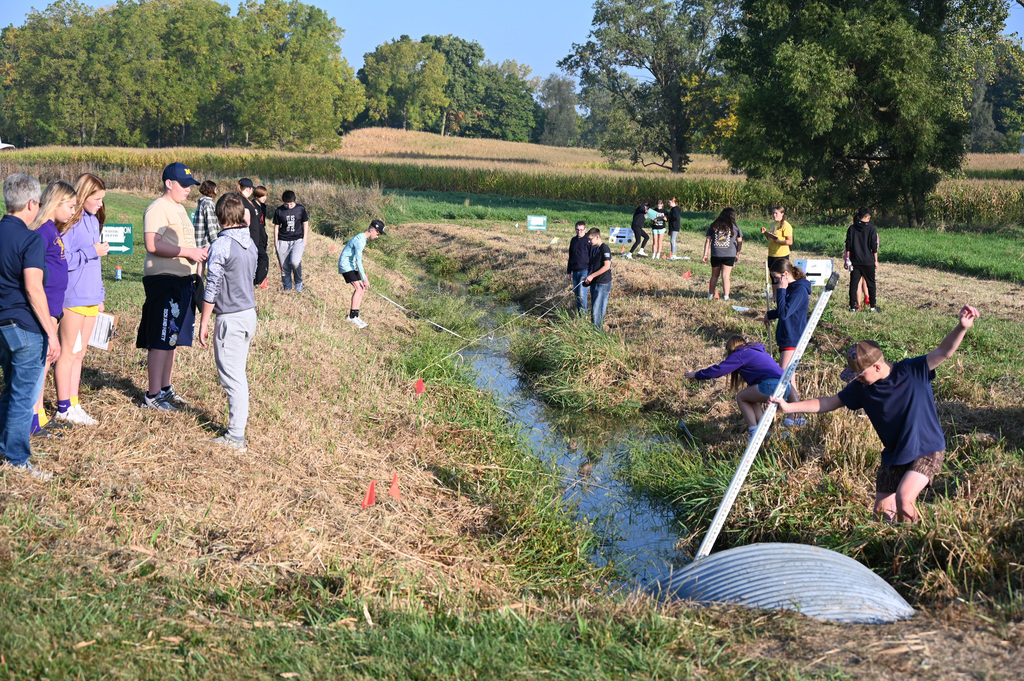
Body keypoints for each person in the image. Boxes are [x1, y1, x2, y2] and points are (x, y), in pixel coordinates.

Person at [771, 305, 981, 523]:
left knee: (904, 497)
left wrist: (961, 328)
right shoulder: (861, 388)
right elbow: (828, 402)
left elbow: (943, 352)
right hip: (895, 453)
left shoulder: (912, 370)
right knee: (881, 513)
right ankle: (887, 547)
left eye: (860, 374)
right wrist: (788, 407)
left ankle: (913, 545)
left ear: (878, 367)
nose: (857, 379)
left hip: (926, 447)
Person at [0, 174, 59, 480]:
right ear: (32, 203)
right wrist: (51, 332)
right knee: (23, 396)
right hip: (24, 325)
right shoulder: (30, 239)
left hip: (1, 325)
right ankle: (17, 459)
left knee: (11, 390)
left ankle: (4, 448)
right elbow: (35, 289)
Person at [136, 162, 207, 410]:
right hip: (164, 280)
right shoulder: (158, 208)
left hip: (182, 281)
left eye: (191, 185)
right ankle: (152, 394)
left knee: (172, 338)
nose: (188, 189)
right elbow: (152, 244)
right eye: (184, 185)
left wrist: (198, 253)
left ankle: (165, 389)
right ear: (169, 183)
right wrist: (189, 251)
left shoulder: (179, 209)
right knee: (161, 337)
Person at [198, 193, 258, 452]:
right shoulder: (251, 243)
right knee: (238, 374)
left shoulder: (221, 245)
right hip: (248, 314)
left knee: (233, 379)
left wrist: (203, 321)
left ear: (219, 217)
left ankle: (235, 436)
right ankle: (236, 430)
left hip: (230, 319)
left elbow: (212, 286)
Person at [54, 173, 108, 426]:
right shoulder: (69, 224)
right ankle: (62, 407)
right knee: (69, 352)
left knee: (81, 353)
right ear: (84, 195)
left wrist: (100, 295)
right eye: (96, 199)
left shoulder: (94, 222)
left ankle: (73, 403)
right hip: (72, 297)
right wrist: (91, 251)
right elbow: (62, 261)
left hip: (90, 296)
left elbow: (95, 265)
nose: (100, 204)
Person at [27, 181, 77, 436]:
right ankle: (33, 418)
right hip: (45, 308)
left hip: (55, 307)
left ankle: (39, 414)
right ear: (56, 203)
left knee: (45, 363)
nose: (72, 212)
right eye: (70, 206)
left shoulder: (53, 230)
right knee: (41, 364)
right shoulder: (42, 232)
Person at [685, 335, 790, 441]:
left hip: (771, 385)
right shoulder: (758, 351)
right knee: (750, 398)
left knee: (741, 397)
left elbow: (719, 370)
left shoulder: (740, 354)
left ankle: (754, 431)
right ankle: (765, 430)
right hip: (786, 387)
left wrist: (696, 374)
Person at [338, 219, 386, 328]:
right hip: (346, 265)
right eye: (377, 234)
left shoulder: (363, 239)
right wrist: (365, 278)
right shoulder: (360, 240)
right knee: (359, 288)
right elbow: (359, 261)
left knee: (362, 289)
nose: (377, 236)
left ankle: (356, 315)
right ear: (372, 229)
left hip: (351, 265)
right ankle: (352, 317)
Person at [272, 190, 309, 291]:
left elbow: (305, 223)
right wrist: (276, 243)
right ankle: (287, 288)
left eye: (291, 204)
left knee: (295, 262)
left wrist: (305, 238)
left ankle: (298, 282)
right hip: (283, 240)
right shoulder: (279, 210)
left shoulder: (300, 209)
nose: (288, 206)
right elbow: (276, 227)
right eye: (286, 204)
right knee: (284, 267)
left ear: (294, 201)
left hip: (297, 240)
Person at [702, 207, 743, 300]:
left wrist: (705, 254)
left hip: (716, 254)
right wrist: (737, 253)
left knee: (714, 276)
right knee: (726, 276)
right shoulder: (735, 227)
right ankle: (726, 297)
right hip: (730, 254)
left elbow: (708, 240)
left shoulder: (713, 225)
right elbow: (740, 241)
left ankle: (710, 295)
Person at [845, 206, 879, 312]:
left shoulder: (852, 228)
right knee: (871, 284)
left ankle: (852, 306)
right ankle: (872, 306)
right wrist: (876, 261)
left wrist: (847, 259)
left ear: (859, 216)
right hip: (868, 261)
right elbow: (874, 246)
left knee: (853, 284)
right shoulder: (872, 229)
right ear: (868, 217)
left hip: (855, 261)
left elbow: (848, 246)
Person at [238, 178, 269, 287]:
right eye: (262, 196)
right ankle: (254, 282)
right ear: (249, 189)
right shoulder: (244, 202)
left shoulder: (256, 205)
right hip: (249, 237)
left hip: (257, 237)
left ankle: (254, 281)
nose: (264, 198)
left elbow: (261, 224)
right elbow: (247, 221)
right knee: (259, 259)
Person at [583, 227, 612, 331]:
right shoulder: (596, 249)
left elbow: (606, 266)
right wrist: (589, 276)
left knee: (597, 309)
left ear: (597, 237)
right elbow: (596, 266)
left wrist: (592, 276)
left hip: (603, 283)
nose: (589, 241)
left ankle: (596, 333)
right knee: (595, 309)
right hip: (595, 282)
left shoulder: (605, 248)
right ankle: (596, 331)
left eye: (590, 239)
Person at [762, 206, 793, 286]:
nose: (774, 215)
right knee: (774, 278)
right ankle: (775, 298)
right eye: (773, 213)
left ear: (782, 214)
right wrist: (765, 233)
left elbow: (790, 241)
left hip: (781, 255)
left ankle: (782, 296)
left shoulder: (786, 225)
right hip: (771, 254)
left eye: (776, 213)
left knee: (781, 278)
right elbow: (770, 238)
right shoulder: (773, 224)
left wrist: (779, 241)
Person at [566, 220, 592, 315]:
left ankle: (583, 316)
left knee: (582, 294)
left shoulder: (588, 241)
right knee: (577, 295)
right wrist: (569, 271)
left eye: (581, 230)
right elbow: (570, 256)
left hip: (585, 271)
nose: (579, 232)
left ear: (585, 229)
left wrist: (591, 273)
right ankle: (579, 315)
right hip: (575, 271)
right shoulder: (573, 240)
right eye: (577, 230)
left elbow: (592, 257)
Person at [192, 180, 220, 256]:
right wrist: (215, 239)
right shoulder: (208, 203)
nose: (216, 191)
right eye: (215, 188)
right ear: (211, 189)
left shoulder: (202, 202)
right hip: (206, 239)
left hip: (201, 238)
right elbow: (210, 222)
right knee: (204, 261)